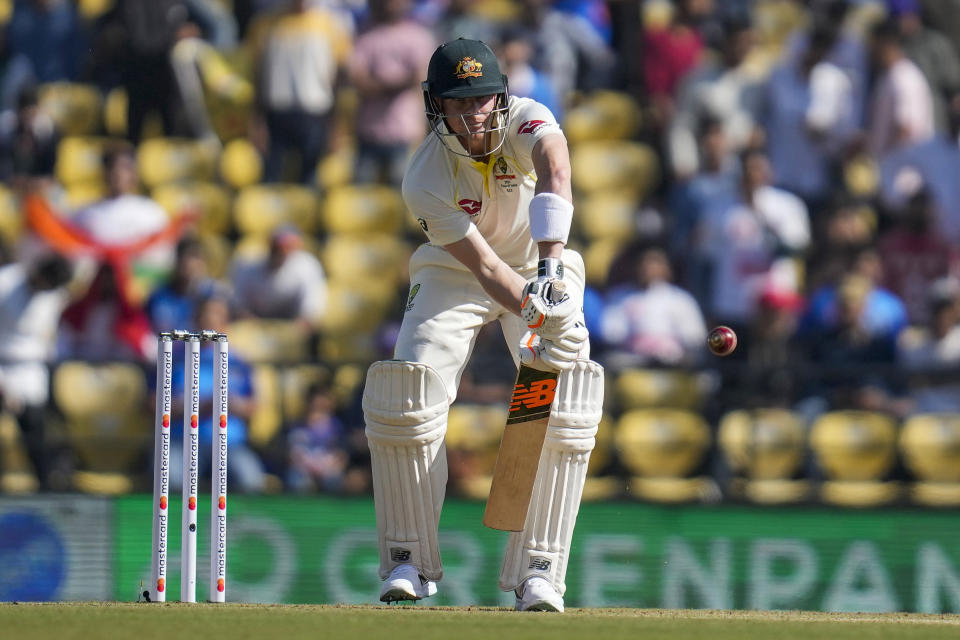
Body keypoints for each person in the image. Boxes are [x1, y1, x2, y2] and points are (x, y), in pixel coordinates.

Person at [363, 39, 601, 612]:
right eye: (457, 102)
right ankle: (407, 563)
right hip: (459, 271)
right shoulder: (424, 177)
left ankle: (539, 573)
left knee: (563, 399)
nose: (472, 115)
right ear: (435, 106)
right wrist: (528, 303)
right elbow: (487, 269)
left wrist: (548, 274)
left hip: (542, 260)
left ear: (500, 96)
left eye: (482, 99)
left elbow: (555, 168)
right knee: (407, 393)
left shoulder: (528, 118)